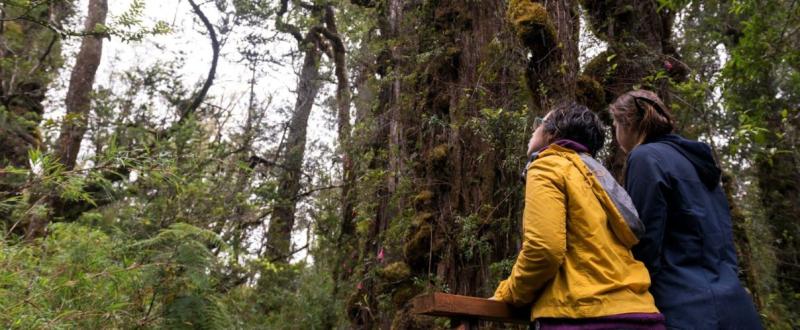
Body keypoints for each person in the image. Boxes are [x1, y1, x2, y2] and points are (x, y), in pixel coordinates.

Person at [492, 103, 665, 329]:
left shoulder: (548, 165)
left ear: (552, 132)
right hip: (641, 313)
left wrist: (508, 293)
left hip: (583, 316)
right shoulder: (602, 181)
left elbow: (544, 249)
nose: (532, 131)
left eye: (538, 124)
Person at [609, 89, 762, 329]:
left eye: (614, 126)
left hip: (685, 309)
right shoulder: (698, 161)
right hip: (736, 305)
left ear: (626, 124)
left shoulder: (645, 157)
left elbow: (644, 239)